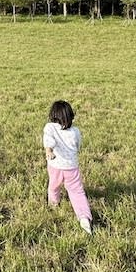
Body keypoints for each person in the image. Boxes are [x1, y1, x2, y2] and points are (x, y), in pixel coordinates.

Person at [43, 100, 93, 233]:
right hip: (71, 167)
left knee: (54, 186)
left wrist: (49, 151)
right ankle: (84, 218)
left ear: (53, 115)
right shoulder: (75, 131)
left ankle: (54, 205)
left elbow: (49, 140)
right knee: (77, 192)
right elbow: (78, 145)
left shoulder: (50, 127)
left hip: (55, 166)